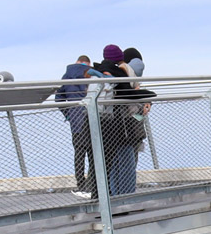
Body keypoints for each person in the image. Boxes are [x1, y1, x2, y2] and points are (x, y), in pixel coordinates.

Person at [95, 45, 151, 197]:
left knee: (113, 164)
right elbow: (131, 103)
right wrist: (143, 104)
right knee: (127, 163)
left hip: (106, 125)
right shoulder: (124, 72)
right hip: (127, 128)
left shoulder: (100, 74)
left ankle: (113, 196)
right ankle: (126, 197)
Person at [56, 54, 97, 196]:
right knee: (94, 154)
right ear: (88, 63)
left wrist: (68, 114)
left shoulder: (67, 76)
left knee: (79, 154)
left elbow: (58, 98)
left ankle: (80, 184)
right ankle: (93, 184)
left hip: (76, 121)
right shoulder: (90, 74)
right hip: (92, 118)